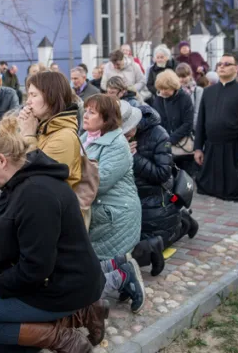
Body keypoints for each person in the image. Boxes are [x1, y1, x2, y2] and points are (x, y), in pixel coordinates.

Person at [0, 117, 107, 352]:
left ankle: (63, 337)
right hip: (54, 279)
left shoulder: (36, 193)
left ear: (2, 160)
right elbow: (25, 226)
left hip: (63, 285)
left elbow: (36, 267)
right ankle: (84, 314)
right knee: (9, 345)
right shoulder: (21, 179)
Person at [122, 103, 199, 276]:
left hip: (155, 198)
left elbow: (162, 174)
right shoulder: (123, 133)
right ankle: (182, 219)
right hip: (134, 197)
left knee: (149, 245)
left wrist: (134, 157)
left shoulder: (159, 135)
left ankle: (184, 222)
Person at [193, 53, 238, 202]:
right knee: (208, 186)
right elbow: (201, 122)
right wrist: (198, 147)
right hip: (212, 148)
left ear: (236, 68)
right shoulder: (208, 92)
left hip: (234, 149)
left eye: (227, 64)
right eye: (219, 64)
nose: (222, 67)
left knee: (235, 187)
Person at [81, 94, 142, 260]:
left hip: (115, 213)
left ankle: (145, 255)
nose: (85, 115)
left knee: (105, 269)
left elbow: (100, 182)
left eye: (91, 112)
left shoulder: (118, 144)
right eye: (85, 110)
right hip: (97, 209)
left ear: (107, 119)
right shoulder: (86, 136)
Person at [17, 71, 83, 192]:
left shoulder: (64, 137)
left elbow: (37, 180)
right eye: (28, 95)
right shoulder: (42, 128)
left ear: (51, 97)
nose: (28, 101)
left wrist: (28, 135)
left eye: (33, 95)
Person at [152, 70, 195, 157]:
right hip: (163, 142)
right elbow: (155, 121)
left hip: (181, 145)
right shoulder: (158, 99)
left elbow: (188, 123)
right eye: (161, 88)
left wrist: (170, 140)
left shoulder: (185, 98)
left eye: (166, 88)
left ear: (173, 86)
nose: (163, 91)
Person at [176, 63, 204, 127]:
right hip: (178, 128)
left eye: (184, 76)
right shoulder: (175, 90)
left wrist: (189, 126)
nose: (181, 79)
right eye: (179, 77)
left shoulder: (198, 90)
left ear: (190, 75)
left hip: (193, 126)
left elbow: (197, 111)